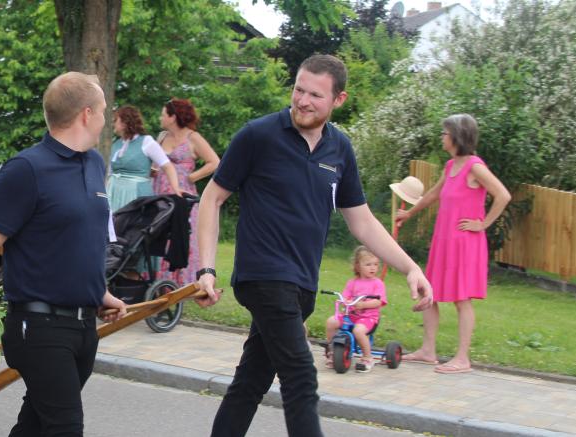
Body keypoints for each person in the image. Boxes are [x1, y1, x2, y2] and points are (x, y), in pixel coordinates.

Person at [194, 54, 433, 436]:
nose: (303, 100)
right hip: (263, 277)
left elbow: (362, 221)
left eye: (315, 95)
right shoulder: (258, 135)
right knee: (301, 378)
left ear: (339, 100)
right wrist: (206, 269)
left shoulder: (339, 149)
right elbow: (212, 198)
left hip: (302, 285)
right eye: (299, 90)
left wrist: (410, 268)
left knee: (251, 381)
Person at [0, 71, 127, 436]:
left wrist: (98, 293)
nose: (106, 117)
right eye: (103, 109)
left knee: (37, 425)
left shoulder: (93, 165)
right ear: (87, 114)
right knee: (65, 427)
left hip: (83, 327)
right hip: (38, 328)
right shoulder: (26, 170)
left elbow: (71, 241)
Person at [395, 114, 511, 374]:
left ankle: (462, 358)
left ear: (458, 136)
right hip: (444, 240)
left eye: (445, 133)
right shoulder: (451, 166)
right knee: (430, 293)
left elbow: (503, 195)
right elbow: (433, 195)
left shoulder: (474, 166)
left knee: (461, 299)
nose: (442, 137)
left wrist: (483, 223)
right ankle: (428, 350)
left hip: (465, 243)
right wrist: (409, 214)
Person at [154, 98, 219, 285]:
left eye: (163, 114)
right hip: (161, 193)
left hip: (182, 195)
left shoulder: (193, 138)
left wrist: (192, 177)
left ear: (173, 117)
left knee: (182, 237)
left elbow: (214, 162)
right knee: (161, 237)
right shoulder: (162, 137)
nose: (160, 117)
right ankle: (162, 282)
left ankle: (183, 282)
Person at [324, 246, 387, 373]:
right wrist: (345, 301)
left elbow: (379, 301)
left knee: (358, 331)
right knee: (331, 321)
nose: (373, 267)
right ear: (358, 266)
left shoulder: (377, 283)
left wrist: (363, 305)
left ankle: (368, 357)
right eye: (368, 264)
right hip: (351, 316)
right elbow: (345, 296)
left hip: (369, 318)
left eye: (375, 264)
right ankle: (332, 350)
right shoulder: (352, 283)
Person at [107, 105, 182, 211]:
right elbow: (110, 173)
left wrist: (176, 189)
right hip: (114, 193)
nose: (113, 123)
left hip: (136, 195)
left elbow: (167, 166)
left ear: (125, 122)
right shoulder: (116, 145)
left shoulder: (146, 142)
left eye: (116, 120)